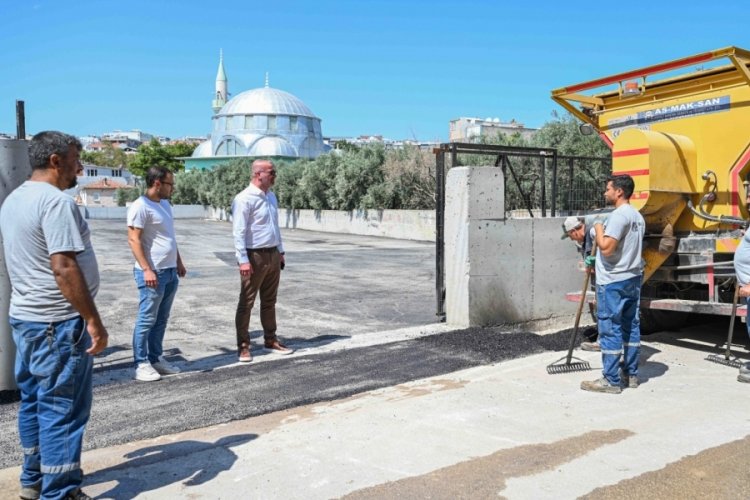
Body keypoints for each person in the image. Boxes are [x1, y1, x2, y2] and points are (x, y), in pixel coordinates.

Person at [0, 131, 108, 500]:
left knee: (34, 403)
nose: (81, 166)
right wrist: (92, 320)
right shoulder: (56, 202)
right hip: (57, 324)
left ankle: (32, 481)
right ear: (56, 161)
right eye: (77, 159)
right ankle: (59, 493)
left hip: (27, 320)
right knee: (62, 411)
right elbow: (63, 266)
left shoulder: (15, 199)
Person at [581, 175, 645, 394]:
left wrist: (598, 228)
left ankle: (610, 380)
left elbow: (607, 249)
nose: (605, 193)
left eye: (608, 189)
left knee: (610, 328)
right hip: (632, 277)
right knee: (631, 327)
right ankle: (631, 374)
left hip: (613, 280)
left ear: (619, 192)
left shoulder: (618, 216)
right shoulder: (637, 216)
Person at [127, 166, 186, 382]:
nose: (173, 188)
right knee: (146, 319)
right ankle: (141, 363)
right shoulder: (140, 206)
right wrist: (146, 269)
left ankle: (156, 358)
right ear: (158, 183)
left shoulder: (164, 205)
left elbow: (169, 236)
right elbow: (134, 240)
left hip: (169, 271)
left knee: (161, 319)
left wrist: (178, 261)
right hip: (152, 273)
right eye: (170, 184)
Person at [232, 159, 293, 362]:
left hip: (273, 254)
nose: (275, 175)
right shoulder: (244, 199)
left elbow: (274, 226)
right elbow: (239, 232)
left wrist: (281, 251)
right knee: (247, 302)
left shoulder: (271, 197)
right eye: (271, 172)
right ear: (258, 174)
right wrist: (243, 260)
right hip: (254, 256)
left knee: (269, 301)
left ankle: (270, 340)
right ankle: (243, 346)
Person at [561, 216, 600, 351]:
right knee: (600, 309)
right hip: (598, 279)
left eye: (570, 236)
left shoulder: (593, 232)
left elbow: (608, 248)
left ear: (574, 231)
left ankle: (604, 342)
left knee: (605, 311)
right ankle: (602, 339)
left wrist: (598, 261)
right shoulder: (583, 242)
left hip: (607, 278)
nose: (572, 239)